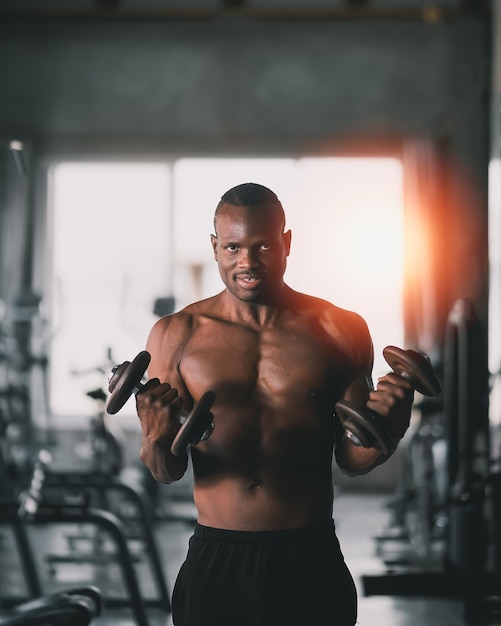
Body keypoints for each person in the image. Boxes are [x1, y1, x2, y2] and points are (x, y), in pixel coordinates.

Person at [134, 182, 415, 626]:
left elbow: (353, 460)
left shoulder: (339, 330)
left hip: (310, 555)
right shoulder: (177, 334)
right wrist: (153, 437)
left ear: (286, 243)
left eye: (263, 245)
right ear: (214, 247)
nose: (246, 262)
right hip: (218, 557)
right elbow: (165, 472)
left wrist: (391, 428)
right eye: (232, 247)